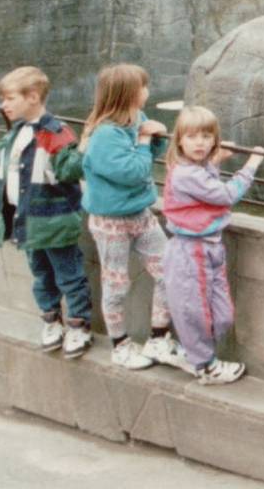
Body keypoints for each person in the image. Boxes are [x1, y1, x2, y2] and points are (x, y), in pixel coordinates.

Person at [80, 63, 192, 371]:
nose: (148, 91)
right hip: (110, 221)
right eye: (143, 86)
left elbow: (146, 159)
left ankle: (158, 337)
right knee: (117, 283)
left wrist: (153, 138)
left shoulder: (136, 121)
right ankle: (120, 345)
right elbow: (132, 172)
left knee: (169, 269)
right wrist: (144, 141)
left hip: (140, 213)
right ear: (129, 93)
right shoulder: (104, 135)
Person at [160, 106, 264, 385]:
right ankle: (205, 366)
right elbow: (224, 195)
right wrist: (251, 165)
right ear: (179, 140)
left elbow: (204, 175)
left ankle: (192, 352)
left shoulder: (196, 167)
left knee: (221, 316)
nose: (200, 143)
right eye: (192, 136)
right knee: (195, 311)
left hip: (209, 246)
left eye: (207, 136)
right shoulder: (186, 174)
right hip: (189, 249)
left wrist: (215, 159)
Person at [0, 66, 93, 358]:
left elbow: (71, 170)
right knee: (41, 274)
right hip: (29, 223)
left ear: (33, 97)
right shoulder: (18, 133)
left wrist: (82, 148)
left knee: (68, 275)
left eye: (10, 98)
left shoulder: (54, 132)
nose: (4, 105)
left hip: (55, 222)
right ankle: (51, 319)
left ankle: (79, 324)